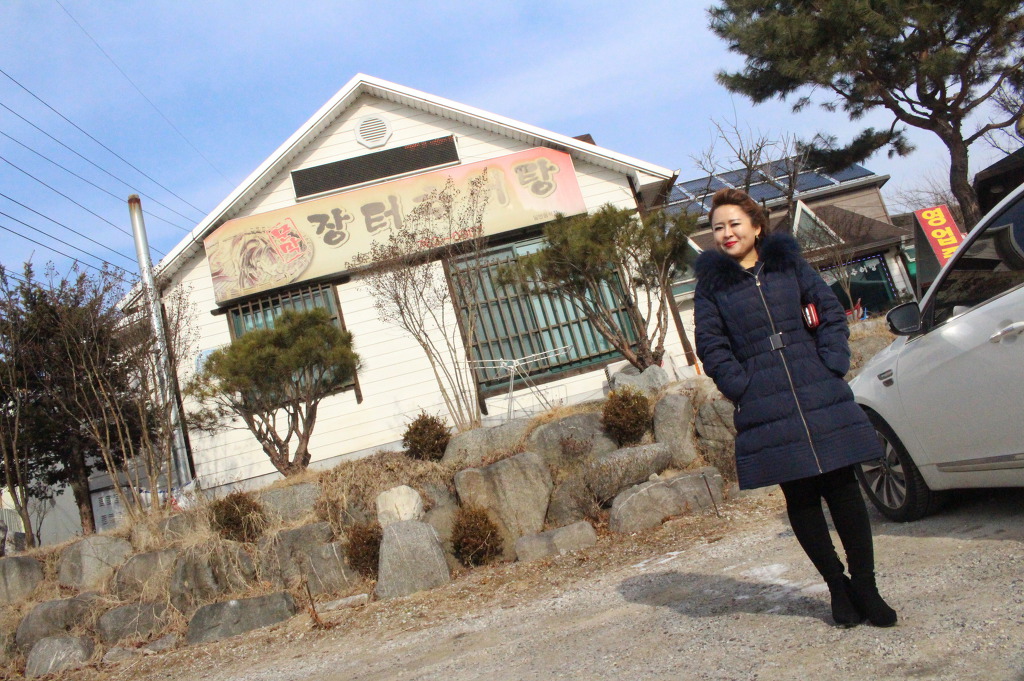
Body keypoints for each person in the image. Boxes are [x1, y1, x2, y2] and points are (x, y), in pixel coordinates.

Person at [693, 187, 897, 628]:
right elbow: (711, 346)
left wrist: (833, 361)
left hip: (817, 384)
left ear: (756, 225)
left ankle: (866, 587)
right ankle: (837, 587)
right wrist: (742, 386)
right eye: (718, 228)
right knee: (801, 497)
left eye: (734, 224)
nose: (726, 233)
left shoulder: (789, 264)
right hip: (764, 399)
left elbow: (831, 313)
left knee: (844, 488)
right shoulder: (711, 288)